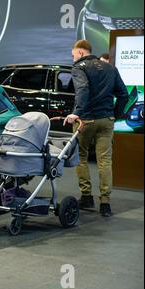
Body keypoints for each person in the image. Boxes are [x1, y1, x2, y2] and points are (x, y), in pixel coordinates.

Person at [64, 40, 128, 217]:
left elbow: (83, 89)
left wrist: (77, 112)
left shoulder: (79, 67)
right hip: (106, 120)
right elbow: (123, 94)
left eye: (74, 55)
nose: (73, 58)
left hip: (86, 120)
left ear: (81, 53)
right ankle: (105, 203)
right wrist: (115, 114)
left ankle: (86, 196)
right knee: (105, 161)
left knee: (81, 157)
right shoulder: (110, 68)